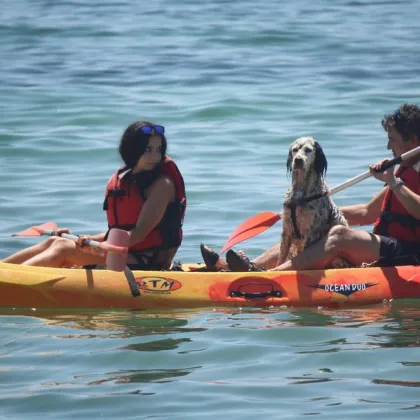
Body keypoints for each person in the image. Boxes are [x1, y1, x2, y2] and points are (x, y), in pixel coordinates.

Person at [201, 103, 420, 271]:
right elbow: (367, 212)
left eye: (392, 139)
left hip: (408, 251)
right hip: (385, 244)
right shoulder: (403, 169)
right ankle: (236, 269)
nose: (388, 146)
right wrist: (307, 214)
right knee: (301, 231)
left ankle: (274, 275)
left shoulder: (399, 176)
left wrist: (392, 181)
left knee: (339, 235)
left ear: (411, 141)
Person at [4, 121, 186, 270]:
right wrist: (90, 239)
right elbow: (121, 231)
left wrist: (98, 246)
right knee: (55, 240)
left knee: (61, 248)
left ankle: (8, 283)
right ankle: (4, 271)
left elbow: (138, 234)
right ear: (133, 150)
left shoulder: (162, 185)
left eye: (158, 149)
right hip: (123, 252)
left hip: (147, 263)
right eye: (148, 149)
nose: (155, 156)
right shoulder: (129, 180)